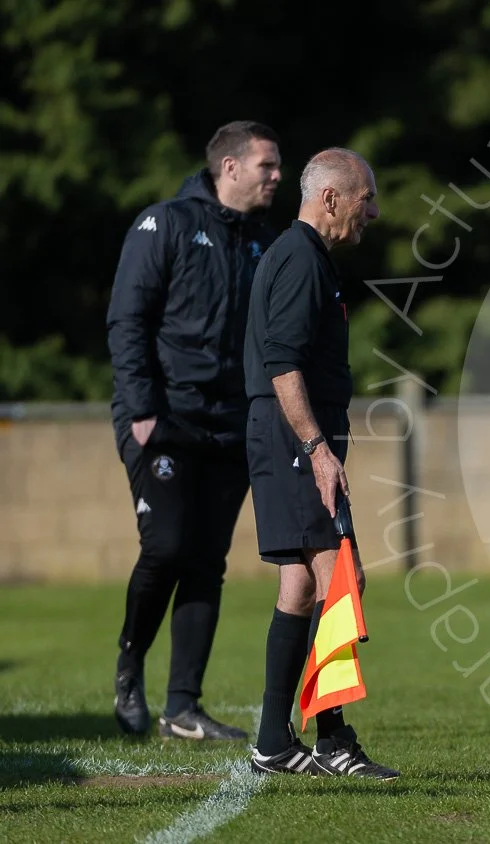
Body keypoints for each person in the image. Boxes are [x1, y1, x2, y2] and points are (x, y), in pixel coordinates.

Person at [106, 120, 283, 740]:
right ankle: (130, 665)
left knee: (207, 560)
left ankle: (183, 707)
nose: (277, 176)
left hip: (230, 427)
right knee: (166, 547)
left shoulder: (265, 242)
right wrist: (141, 408)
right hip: (164, 420)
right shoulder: (166, 224)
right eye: (267, 165)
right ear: (229, 168)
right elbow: (127, 320)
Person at [242, 147, 398, 779]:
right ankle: (332, 740)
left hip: (290, 437)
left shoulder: (304, 256)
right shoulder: (301, 258)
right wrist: (316, 447)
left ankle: (273, 743)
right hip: (293, 439)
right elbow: (281, 363)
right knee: (340, 578)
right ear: (331, 198)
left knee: (303, 585)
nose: (374, 212)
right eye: (366, 199)